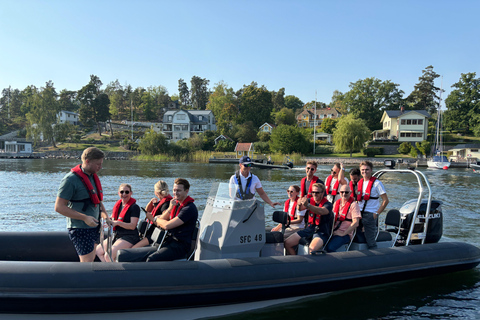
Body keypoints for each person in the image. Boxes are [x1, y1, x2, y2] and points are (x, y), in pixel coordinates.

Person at [55, 147, 107, 262]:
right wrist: (84, 218)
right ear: (87, 161)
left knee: (91, 259)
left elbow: (97, 201)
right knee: (87, 262)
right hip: (80, 228)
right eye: (98, 164)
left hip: (94, 226)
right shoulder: (70, 180)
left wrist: (106, 217)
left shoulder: (92, 177)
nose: (100, 167)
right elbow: (59, 207)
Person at [146, 178, 198, 262]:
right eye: (174, 190)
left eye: (178, 190)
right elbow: (162, 219)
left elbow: (167, 225)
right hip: (169, 241)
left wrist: (154, 218)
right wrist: (170, 208)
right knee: (142, 256)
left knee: (151, 259)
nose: (175, 193)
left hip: (180, 246)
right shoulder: (176, 204)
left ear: (186, 191)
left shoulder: (189, 209)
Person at [284, 183, 333, 255]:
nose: (315, 194)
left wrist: (308, 205)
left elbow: (321, 211)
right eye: (313, 192)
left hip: (321, 232)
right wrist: (299, 204)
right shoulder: (310, 200)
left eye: (317, 192)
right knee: (287, 243)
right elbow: (300, 209)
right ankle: (295, 262)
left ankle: (311, 265)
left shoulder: (328, 204)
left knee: (311, 249)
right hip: (309, 229)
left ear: (322, 193)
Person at [96, 184, 140, 262]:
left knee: (108, 255)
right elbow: (113, 218)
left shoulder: (134, 207)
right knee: (99, 250)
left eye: (127, 192)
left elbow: (132, 226)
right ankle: (108, 269)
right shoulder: (118, 205)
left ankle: (113, 272)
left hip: (129, 236)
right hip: (117, 235)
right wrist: (108, 220)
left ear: (131, 193)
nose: (124, 194)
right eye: (122, 192)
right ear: (118, 193)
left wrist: (117, 223)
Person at [357, 161, 389, 249]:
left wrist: (376, 214)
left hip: (370, 214)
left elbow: (385, 200)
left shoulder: (377, 183)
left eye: (367, 169)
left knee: (370, 240)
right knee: (356, 236)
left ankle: (375, 256)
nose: (364, 171)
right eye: (362, 170)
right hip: (358, 214)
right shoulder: (360, 182)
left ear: (371, 170)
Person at [132, 180, 173, 248]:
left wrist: (151, 218)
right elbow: (147, 210)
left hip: (155, 234)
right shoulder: (161, 202)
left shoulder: (166, 204)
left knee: (133, 248)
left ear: (156, 192)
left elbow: (163, 224)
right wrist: (151, 203)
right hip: (151, 231)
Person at [325, 184, 361, 252]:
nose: (344, 194)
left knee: (330, 247)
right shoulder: (336, 203)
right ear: (339, 192)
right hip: (334, 231)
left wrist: (343, 233)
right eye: (342, 192)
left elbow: (356, 223)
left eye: (346, 192)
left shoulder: (354, 205)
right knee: (321, 242)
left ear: (350, 193)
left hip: (345, 234)